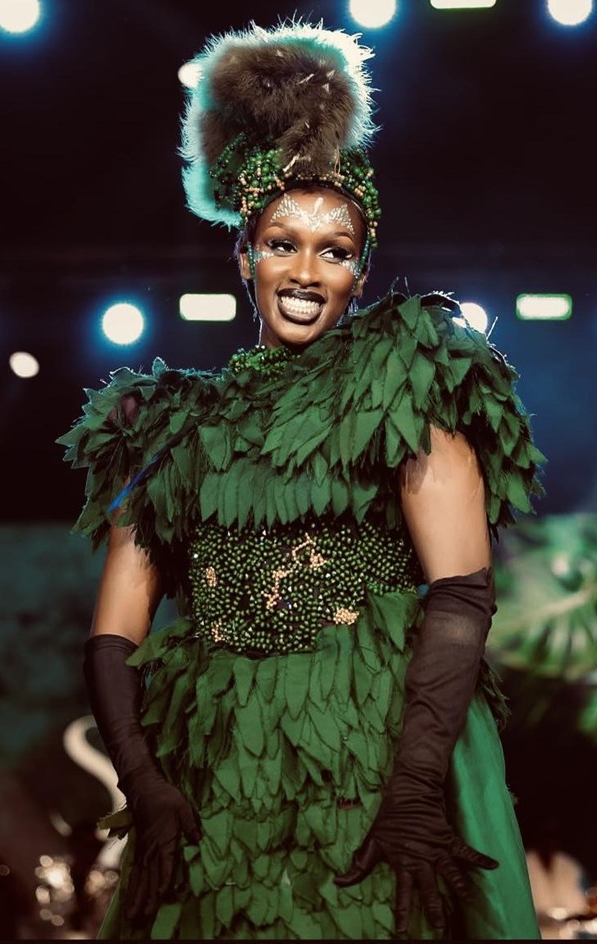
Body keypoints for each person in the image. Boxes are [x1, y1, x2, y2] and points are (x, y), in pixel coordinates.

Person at [58, 19, 545, 940]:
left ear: (361, 270)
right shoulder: (166, 424)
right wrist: (144, 781)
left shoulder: (405, 381)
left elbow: (461, 592)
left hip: (366, 754)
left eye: (336, 249)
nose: (307, 271)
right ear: (243, 255)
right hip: (217, 762)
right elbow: (113, 634)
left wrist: (414, 789)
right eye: (282, 242)